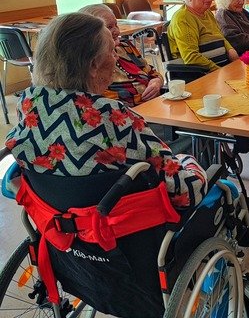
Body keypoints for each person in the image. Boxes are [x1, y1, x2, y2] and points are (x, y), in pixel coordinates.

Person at [4, 13, 207, 211]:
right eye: (111, 51)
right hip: (124, 228)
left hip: (59, 221)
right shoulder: (111, 116)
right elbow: (186, 192)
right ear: (93, 65)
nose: (116, 57)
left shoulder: (29, 103)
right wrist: (190, 162)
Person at [79, 4, 164, 107]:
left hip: (155, 106)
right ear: (91, 33)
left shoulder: (125, 46)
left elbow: (152, 72)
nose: (117, 31)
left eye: (116, 25)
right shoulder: (93, 61)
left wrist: (157, 81)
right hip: (130, 115)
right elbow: (102, 101)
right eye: (109, 27)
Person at [167, 0, 238, 71]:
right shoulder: (183, 17)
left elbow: (219, 36)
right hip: (200, 75)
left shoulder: (207, 13)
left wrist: (231, 50)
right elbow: (191, 57)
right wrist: (219, 71)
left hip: (222, 68)